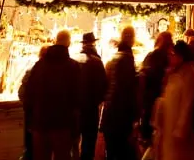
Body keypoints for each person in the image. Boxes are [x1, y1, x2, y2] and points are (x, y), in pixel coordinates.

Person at [23, 30, 82, 160]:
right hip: (62, 124)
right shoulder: (73, 67)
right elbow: (77, 99)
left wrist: (31, 119)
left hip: (40, 122)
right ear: (69, 43)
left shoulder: (40, 65)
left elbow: (29, 93)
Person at [152, 41, 194, 160]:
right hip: (170, 129)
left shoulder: (190, 74)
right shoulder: (174, 73)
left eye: (172, 54)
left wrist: (181, 129)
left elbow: (188, 104)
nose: (169, 57)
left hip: (180, 135)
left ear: (180, 56)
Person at [101, 26, 138, 160]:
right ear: (132, 39)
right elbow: (127, 91)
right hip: (120, 118)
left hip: (110, 115)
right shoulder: (127, 59)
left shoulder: (113, 58)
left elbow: (105, 88)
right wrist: (134, 117)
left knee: (111, 152)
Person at [78, 32, 108, 160]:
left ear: (83, 44)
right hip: (91, 107)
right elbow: (103, 85)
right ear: (94, 43)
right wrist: (98, 100)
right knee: (89, 141)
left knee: (73, 142)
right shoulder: (97, 61)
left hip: (76, 107)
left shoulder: (75, 59)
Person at [140, 31, 173, 143]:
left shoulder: (151, 56)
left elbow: (144, 74)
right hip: (165, 98)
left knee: (149, 129)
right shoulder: (171, 58)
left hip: (151, 97)